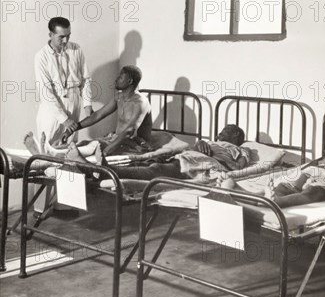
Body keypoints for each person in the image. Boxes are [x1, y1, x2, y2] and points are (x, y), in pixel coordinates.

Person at [66, 124, 250, 182]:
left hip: (200, 165)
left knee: (155, 170)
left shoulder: (241, 150)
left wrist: (214, 158)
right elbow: (196, 146)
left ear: (236, 135)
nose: (221, 132)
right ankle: (93, 168)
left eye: (227, 129)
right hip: (186, 157)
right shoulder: (210, 141)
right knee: (148, 163)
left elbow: (238, 168)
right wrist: (201, 142)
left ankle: (101, 169)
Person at [63, 65, 152, 157]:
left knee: (96, 145)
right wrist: (73, 129)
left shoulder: (141, 103)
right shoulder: (119, 97)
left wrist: (107, 150)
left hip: (136, 144)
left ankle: (56, 153)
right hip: (119, 139)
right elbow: (98, 115)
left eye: (120, 77)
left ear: (130, 81)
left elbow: (129, 131)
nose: (116, 79)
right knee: (85, 143)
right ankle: (57, 153)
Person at [35, 17, 93, 147]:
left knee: (70, 147)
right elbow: (46, 92)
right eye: (61, 37)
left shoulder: (76, 49)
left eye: (68, 36)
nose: (66, 40)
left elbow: (86, 79)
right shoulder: (41, 57)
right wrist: (64, 119)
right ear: (51, 35)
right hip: (53, 106)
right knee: (48, 146)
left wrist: (87, 104)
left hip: (74, 102)